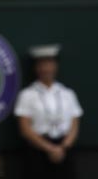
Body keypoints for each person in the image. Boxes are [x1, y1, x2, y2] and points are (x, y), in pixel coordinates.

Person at [14, 44, 83, 179]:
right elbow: (25, 128)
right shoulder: (27, 95)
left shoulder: (67, 93)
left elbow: (74, 124)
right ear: (36, 68)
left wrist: (63, 147)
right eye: (42, 64)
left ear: (55, 66)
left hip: (64, 150)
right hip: (38, 151)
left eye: (49, 64)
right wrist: (49, 148)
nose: (46, 69)